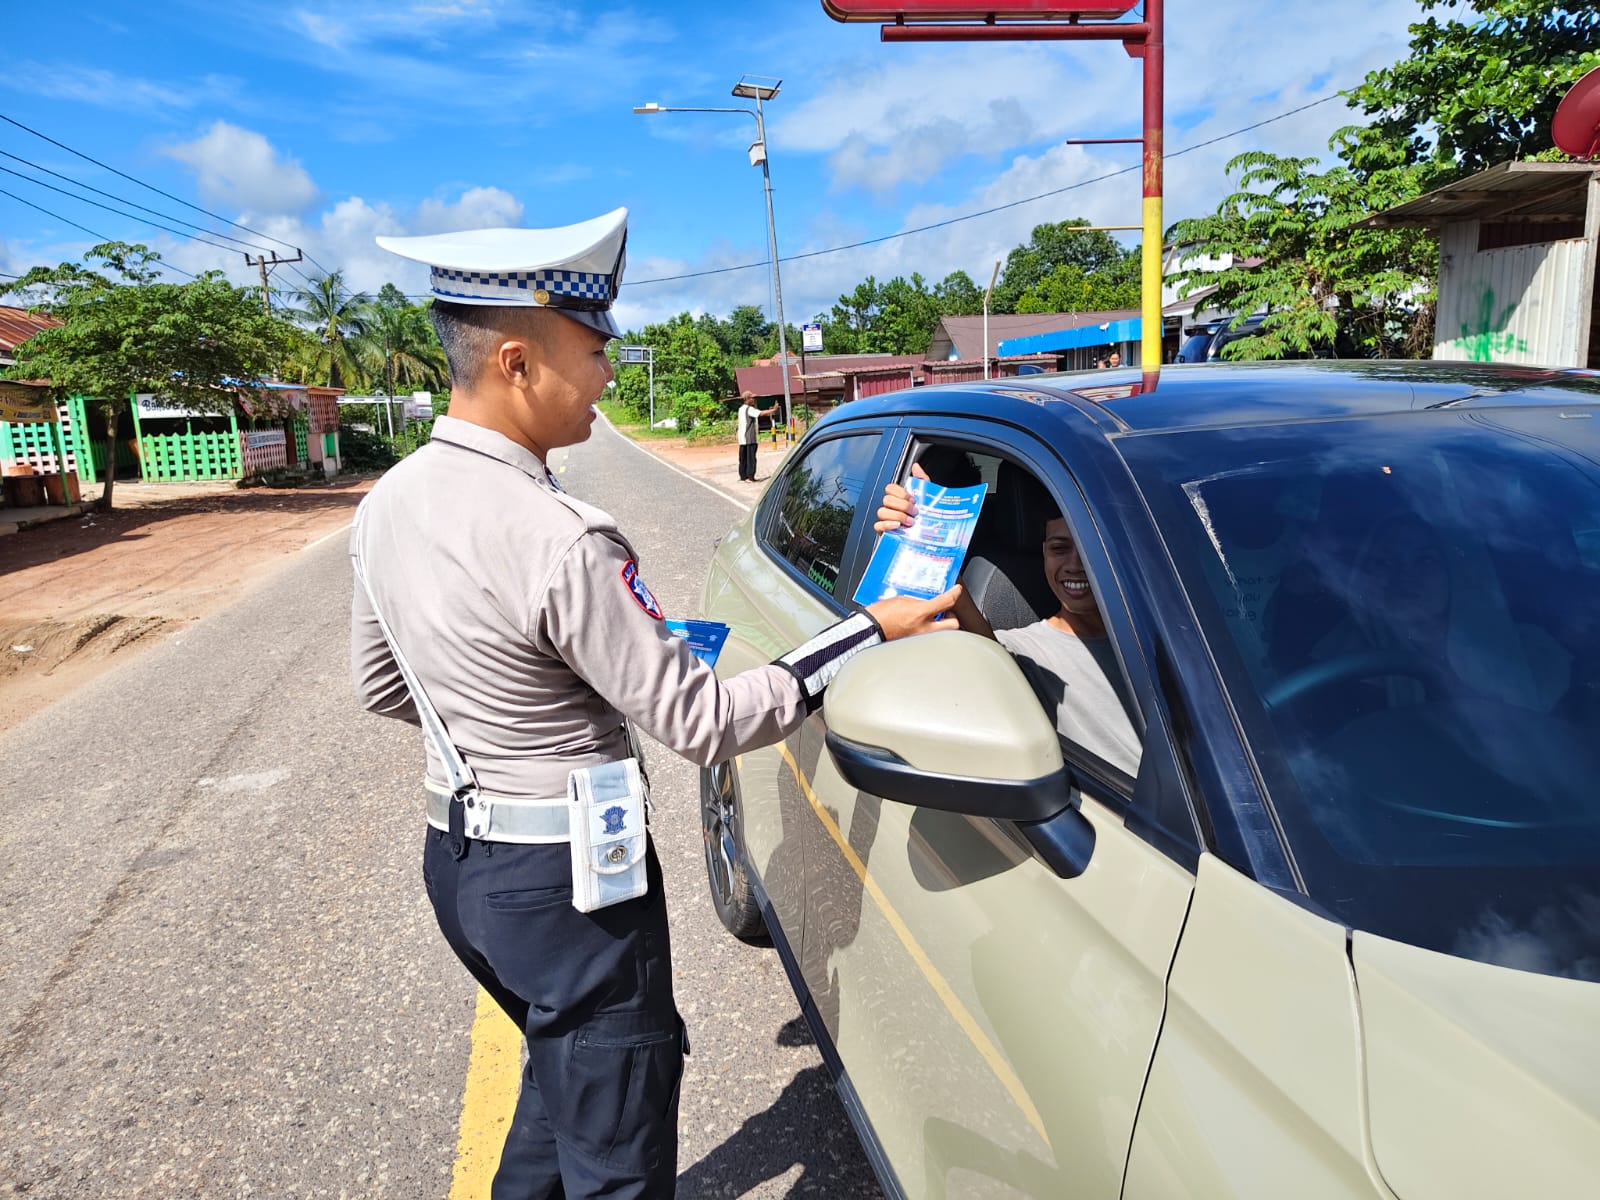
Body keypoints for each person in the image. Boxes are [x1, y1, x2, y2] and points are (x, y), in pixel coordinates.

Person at [350, 207, 962, 1200]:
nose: (604, 373)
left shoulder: (390, 503)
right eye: (592, 351)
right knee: (618, 1156)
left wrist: (517, 697)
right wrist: (868, 630)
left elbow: (384, 684)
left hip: (458, 864)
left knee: (559, 1094)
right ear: (515, 360)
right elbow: (703, 725)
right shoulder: (563, 537)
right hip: (568, 886)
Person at [877, 462, 1140, 777]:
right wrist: (919, 536)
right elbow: (979, 648)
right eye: (1059, 548)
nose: (1075, 564)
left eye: (1089, 550)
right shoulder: (1027, 653)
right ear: (1043, 553)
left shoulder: (1166, 633)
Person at [736, 390, 776, 481]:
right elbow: (760, 413)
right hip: (749, 437)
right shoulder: (749, 409)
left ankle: (743, 476)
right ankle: (751, 476)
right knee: (751, 458)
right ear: (747, 399)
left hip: (742, 438)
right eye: (752, 398)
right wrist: (773, 410)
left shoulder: (741, 409)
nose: (754, 400)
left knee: (743, 458)